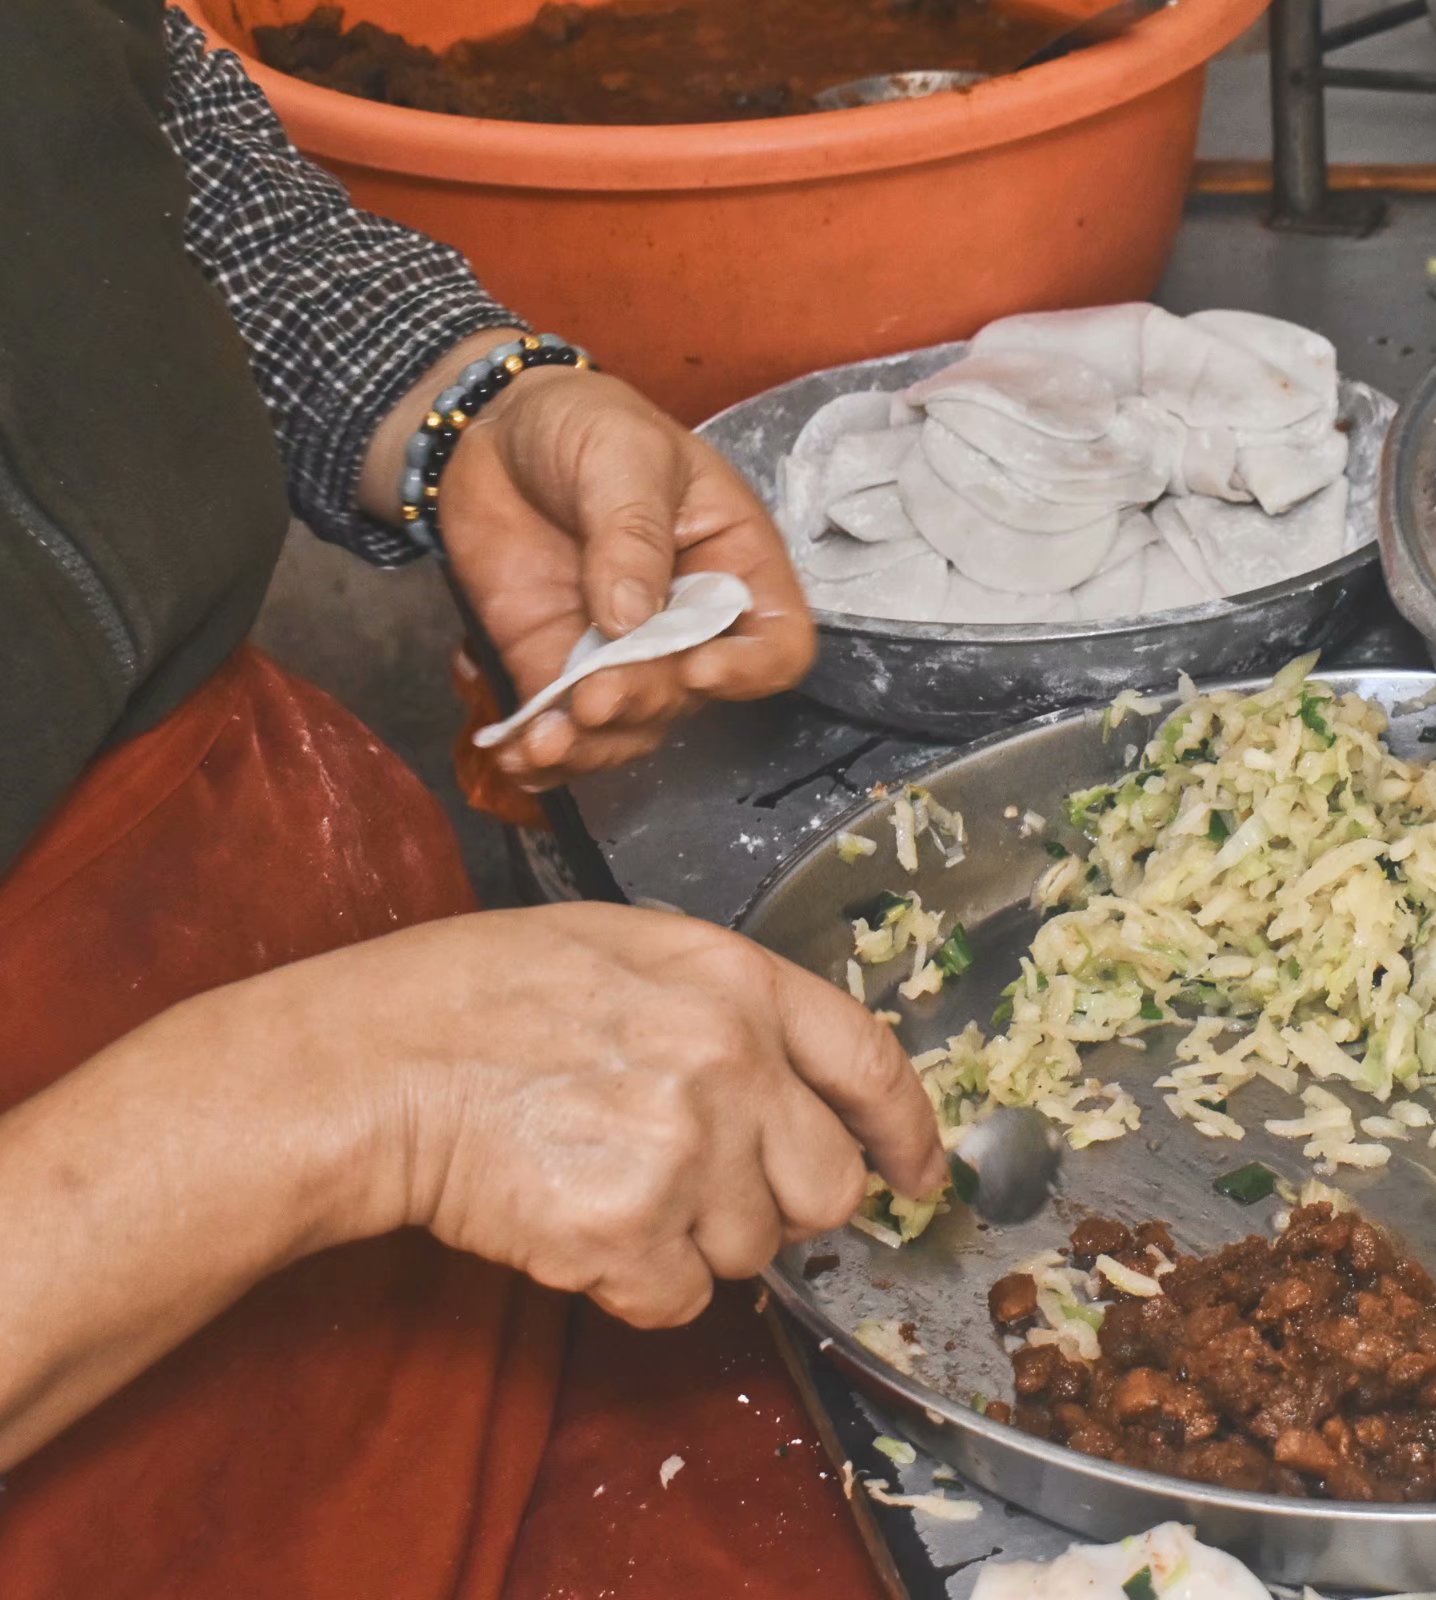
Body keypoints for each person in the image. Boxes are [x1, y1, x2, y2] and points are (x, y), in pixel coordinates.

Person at [0, 2, 945, 1594]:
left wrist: (437, 399)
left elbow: (107, 89)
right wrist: (332, 1099)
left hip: (285, 917)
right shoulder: (355, 1093)